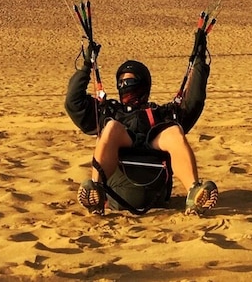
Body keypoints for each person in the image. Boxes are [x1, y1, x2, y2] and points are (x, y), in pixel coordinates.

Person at [65, 29, 217, 216]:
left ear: (144, 84)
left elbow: (194, 101)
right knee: (111, 127)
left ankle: (194, 192)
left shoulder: (162, 113)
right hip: (117, 191)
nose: (125, 86)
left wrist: (199, 61)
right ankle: (96, 191)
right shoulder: (109, 111)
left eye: (130, 81)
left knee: (174, 132)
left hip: (156, 191)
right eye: (121, 81)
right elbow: (73, 103)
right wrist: (87, 66)